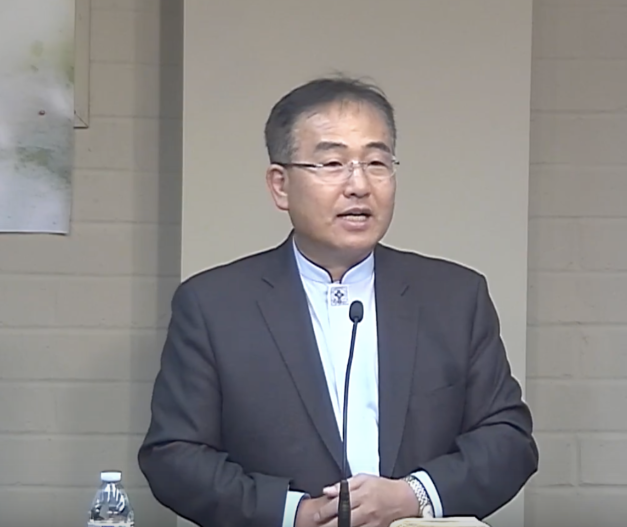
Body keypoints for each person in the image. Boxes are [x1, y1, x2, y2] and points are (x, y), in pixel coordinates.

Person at [138, 76, 538, 527]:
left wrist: (413, 495)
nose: (359, 185)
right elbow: (174, 455)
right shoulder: (213, 306)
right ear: (280, 186)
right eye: (332, 163)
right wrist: (294, 513)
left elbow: (509, 441)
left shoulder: (455, 297)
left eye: (376, 163)